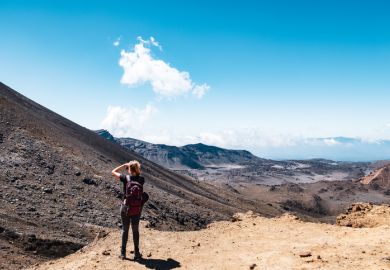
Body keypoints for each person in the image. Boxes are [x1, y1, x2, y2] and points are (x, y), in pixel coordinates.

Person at [112, 160, 148, 260]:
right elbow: (137, 174)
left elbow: (113, 171)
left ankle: (123, 253)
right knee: (135, 230)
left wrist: (124, 166)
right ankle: (136, 253)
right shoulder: (141, 179)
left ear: (129, 169)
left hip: (125, 208)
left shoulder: (125, 178)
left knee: (125, 230)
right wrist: (132, 168)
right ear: (138, 168)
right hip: (137, 209)